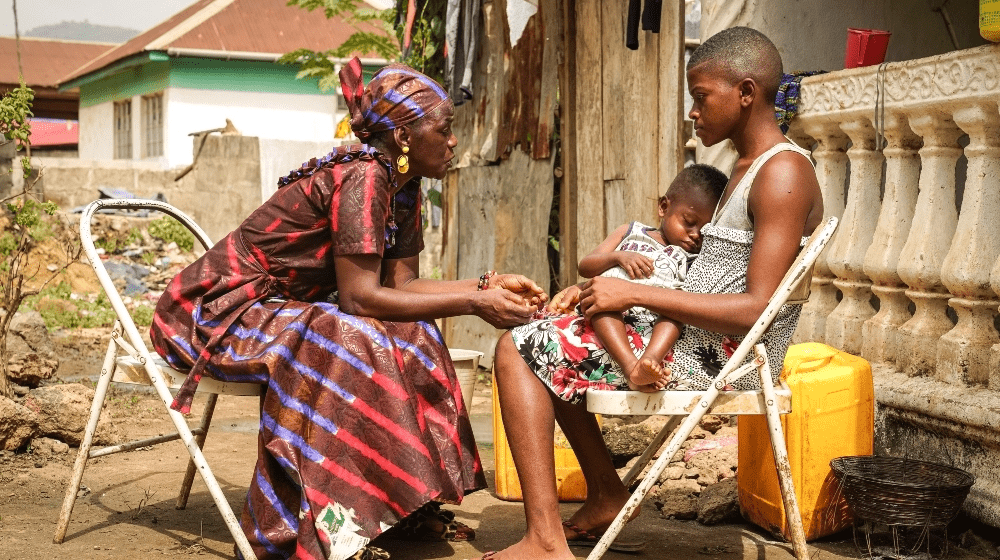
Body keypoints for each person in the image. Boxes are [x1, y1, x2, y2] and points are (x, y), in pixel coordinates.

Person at [150, 58, 547, 560]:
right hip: (213, 312)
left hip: (280, 309)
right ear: (403, 136)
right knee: (341, 337)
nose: (453, 143)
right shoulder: (364, 178)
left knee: (416, 333)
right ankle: (329, 523)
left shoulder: (403, 186)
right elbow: (360, 298)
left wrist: (487, 284)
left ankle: (405, 501)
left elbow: (404, 285)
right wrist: (474, 302)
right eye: (444, 130)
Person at [490, 26, 823, 560]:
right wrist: (596, 290)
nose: (693, 112)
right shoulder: (740, 170)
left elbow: (758, 310)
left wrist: (633, 299)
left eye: (701, 97)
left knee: (518, 349)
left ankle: (546, 541)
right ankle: (604, 493)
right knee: (542, 334)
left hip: (721, 357)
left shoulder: (781, 172)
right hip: (690, 337)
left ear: (745, 92)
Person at [580, 165, 727, 392]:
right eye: (688, 221)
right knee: (602, 303)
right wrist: (618, 256)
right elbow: (586, 266)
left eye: (705, 230)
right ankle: (632, 368)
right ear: (663, 207)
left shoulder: (693, 257)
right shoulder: (630, 231)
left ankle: (649, 361)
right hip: (614, 311)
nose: (696, 234)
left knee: (676, 313)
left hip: (656, 319)